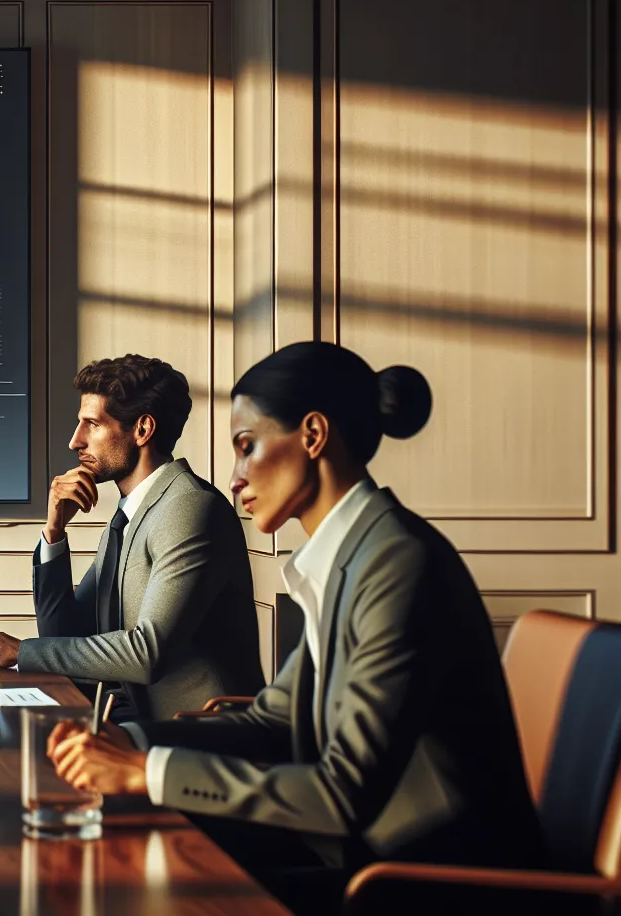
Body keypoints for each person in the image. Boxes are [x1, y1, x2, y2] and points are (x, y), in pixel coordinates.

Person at [48, 343, 546, 915]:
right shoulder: (352, 553)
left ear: (313, 436)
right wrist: (131, 744)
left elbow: (343, 794)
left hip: (428, 879)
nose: (234, 479)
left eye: (246, 447)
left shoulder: (397, 563)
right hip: (358, 850)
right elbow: (273, 719)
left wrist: (146, 769)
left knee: (131, 872)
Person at [0, 355, 262, 720]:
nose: (74, 441)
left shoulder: (188, 509)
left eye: (91, 424)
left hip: (205, 734)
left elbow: (147, 654)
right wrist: (54, 533)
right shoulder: (131, 515)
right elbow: (63, 634)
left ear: (142, 430)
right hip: (142, 720)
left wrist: (23, 651)